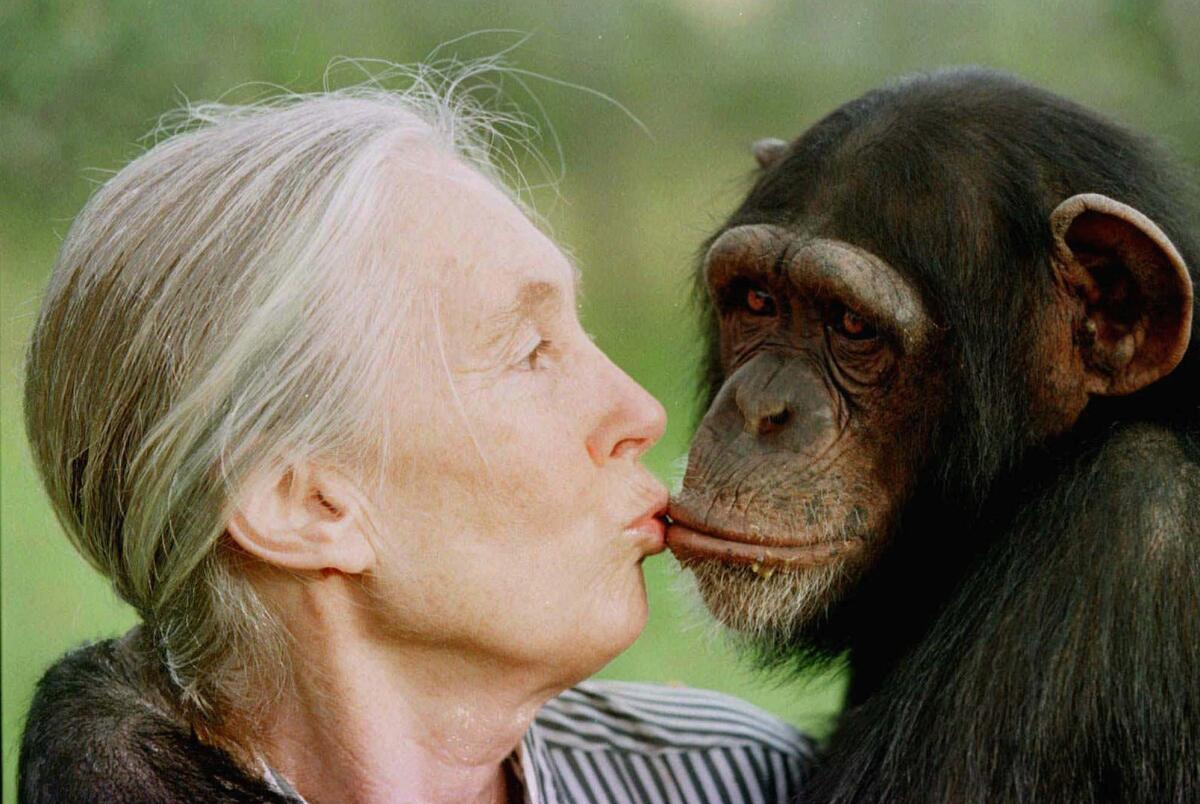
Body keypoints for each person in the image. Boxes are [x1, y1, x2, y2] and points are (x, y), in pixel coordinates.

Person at [18, 69, 812, 803]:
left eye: (585, 334)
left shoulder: (747, 777)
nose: (643, 411)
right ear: (307, 503)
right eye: (531, 351)